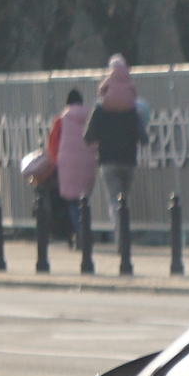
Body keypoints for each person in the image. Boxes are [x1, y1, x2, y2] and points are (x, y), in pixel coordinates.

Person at [83, 56, 144, 238]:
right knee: (124, 200)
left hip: (108, 161)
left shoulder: (100, 110)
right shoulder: (132, 110)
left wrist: (97, 140)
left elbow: (87, 136)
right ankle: (124, 232)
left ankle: (121, 237)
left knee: (114, 200)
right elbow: (143, 136)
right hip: (129, 160)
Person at [46, 89, 98, 247]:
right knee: (84, 201)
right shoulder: (91, 116)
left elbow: (53, 144)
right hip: (88, 163)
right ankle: (86, 231)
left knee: (72, 203)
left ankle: (80, 234)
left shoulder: (62, 119)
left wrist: (53, 163)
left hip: (66, 165)